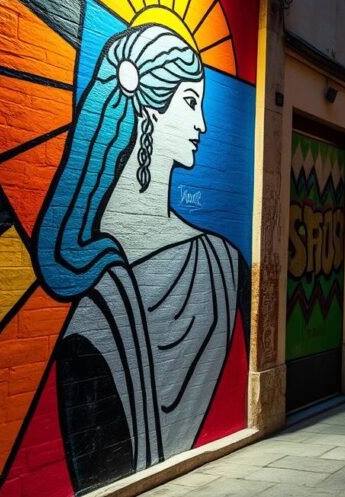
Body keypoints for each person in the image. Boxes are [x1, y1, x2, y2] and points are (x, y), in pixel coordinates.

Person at [36, 24, 248, 484]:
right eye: (190, 103)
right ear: (147, 109)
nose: (203, 125)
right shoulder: (100, 295)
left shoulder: (222, 261)